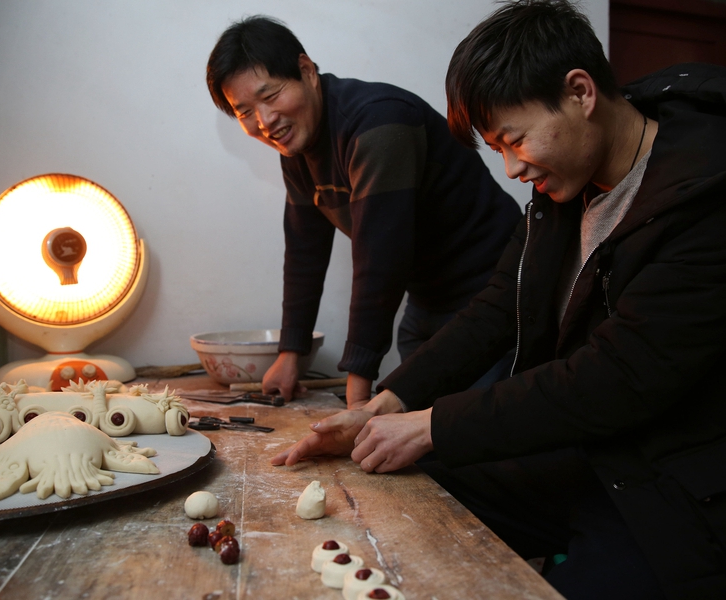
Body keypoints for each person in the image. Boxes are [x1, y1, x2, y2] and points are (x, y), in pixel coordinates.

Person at [272, 1, 726, 597]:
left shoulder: (721, 194)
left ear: (580, 92)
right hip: (598, 453)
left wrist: (435, 424)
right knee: (396, 490)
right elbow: (499, 305)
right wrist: (389, 402)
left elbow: (620, 376)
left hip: (695, 479)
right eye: (497, 148)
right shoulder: (568, 187)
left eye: (514, 140)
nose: (512, 168)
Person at [206, 16, 520, 408]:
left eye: (270, 96)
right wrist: (291, 355)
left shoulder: (378, 123)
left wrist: (356, 399)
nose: (265, 121)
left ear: (306, 71)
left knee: (463, 432)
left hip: (495, 292)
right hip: (426, 302)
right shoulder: (297, 147)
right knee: (418, 432)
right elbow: (304, 252)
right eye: (244, 111)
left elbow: (380, 259)